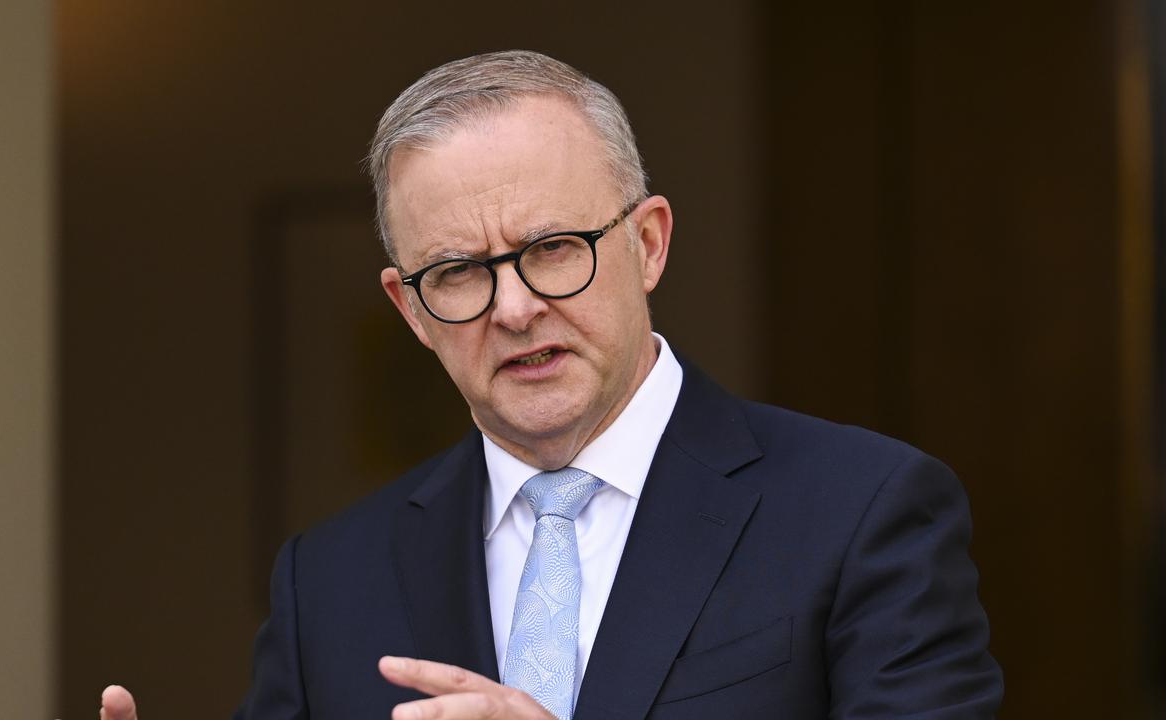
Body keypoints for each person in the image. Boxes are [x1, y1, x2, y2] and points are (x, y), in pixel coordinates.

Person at [98, 50, 1003, 720]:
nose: (517, 308)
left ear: (647, 244)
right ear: (409, 309)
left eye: (553, 249)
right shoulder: (330, 580)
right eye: (457, 272)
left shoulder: (863, 511)